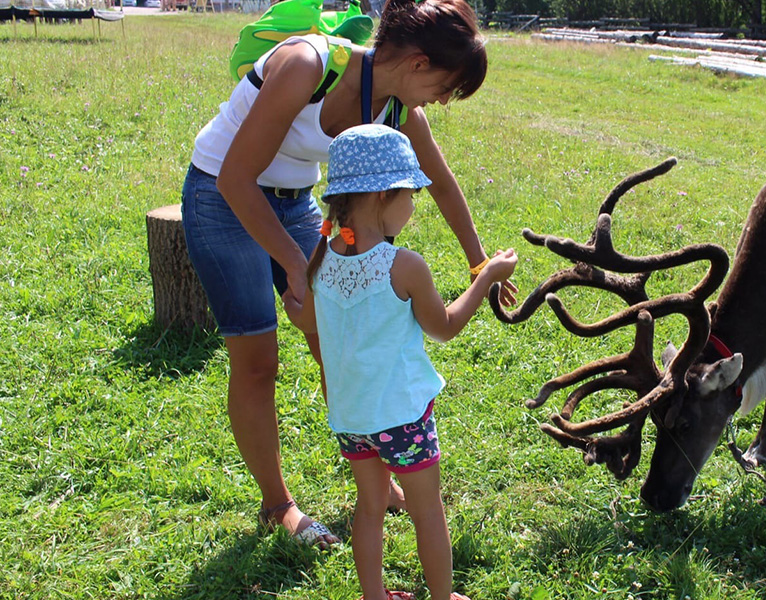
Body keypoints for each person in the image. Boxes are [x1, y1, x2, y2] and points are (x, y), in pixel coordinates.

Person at [180, 0, 516, 547]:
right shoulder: (308, 66)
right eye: (445, 87)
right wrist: (298, 267)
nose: (442, 101)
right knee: (258, 360)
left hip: (294, 200)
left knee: (336, 345)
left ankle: (375, 483)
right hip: (222, 197)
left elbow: (441, 181)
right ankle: (278, 505)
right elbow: (235, 178)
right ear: (418, 63)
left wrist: (479, 262)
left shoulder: (398, 110)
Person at [283, 124, 516, 600]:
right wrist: (487, 275)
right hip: (403, 419)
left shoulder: (322, 256)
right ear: (383, 195)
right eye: (411, 194)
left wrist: (293, 308)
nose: (413, 205)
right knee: (427, 510)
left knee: (369, 507)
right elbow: (444, 327)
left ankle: (374, 596)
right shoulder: (404, 266)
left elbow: (306, 319)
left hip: (352, 419)